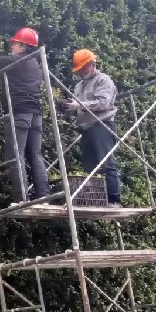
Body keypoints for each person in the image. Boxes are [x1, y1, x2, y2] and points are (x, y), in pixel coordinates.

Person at [0, 27, 52, 203]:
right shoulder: (36, 66)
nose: (11, 46)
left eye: (14, 43)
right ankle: (44, 196)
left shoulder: (17, 60)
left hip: (19, 114)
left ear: (23, 46)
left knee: (15, 155)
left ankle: (22, 198)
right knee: (35, 154)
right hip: (36, 115)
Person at [57, 48, 122, 207]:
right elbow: (78, 108)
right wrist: (66, 107)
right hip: (86, 128)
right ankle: (97, 201)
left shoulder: (103, 80)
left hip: (102, 125)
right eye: (78, 69)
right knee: (90, 167)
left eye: (83, 68)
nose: (80, 71)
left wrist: (77, 105)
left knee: (106, 163)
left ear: (92, 64)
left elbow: (103, 103)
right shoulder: (79, 86)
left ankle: (114, 200)